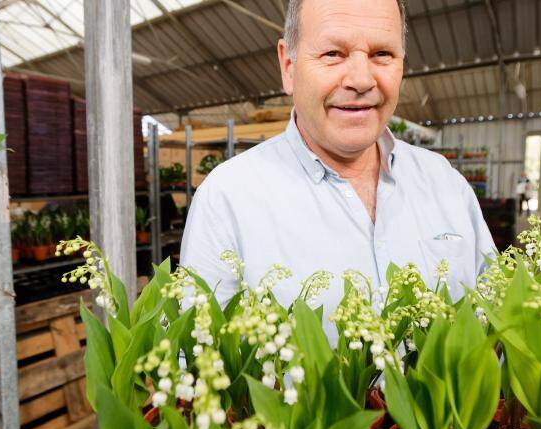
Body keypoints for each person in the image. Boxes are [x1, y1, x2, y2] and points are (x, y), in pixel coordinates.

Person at [181, 0, 495, 334]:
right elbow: (196, 358)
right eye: (333, 53)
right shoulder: (228, 198)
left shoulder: (446, 184)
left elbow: (496, 331)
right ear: (289, 65)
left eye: (382, 54)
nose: (361, 80)